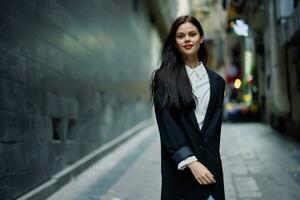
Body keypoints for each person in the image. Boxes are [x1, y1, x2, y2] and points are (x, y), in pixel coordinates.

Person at [151, 15, 226, 200]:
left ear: (201, 38)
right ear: (174, 42)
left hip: (210, 171)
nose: (187, 39)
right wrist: (192, 162)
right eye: (180, 36)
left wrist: (208, 164)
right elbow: (168, 127)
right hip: (180, 169)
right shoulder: (163, 79)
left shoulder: (217, 82)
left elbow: (213, 130)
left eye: (192, 34)